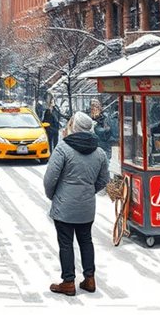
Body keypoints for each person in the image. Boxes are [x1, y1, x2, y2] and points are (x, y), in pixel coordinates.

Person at [44, 111, 109, 297]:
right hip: (86, 206)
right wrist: (89, 191)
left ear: (75, 126)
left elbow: (50, 179)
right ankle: (89, 278)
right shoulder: (99, 152)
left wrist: (54, 196)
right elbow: (104, 180)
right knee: (86, 240)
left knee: (66, 243)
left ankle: (68, 281)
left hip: (64, 205)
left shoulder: (63, 148)